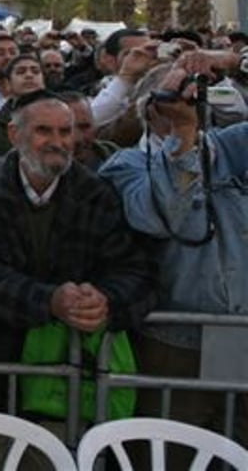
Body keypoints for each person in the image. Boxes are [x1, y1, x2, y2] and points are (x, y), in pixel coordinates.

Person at [0, 91, 156, 412]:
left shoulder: (95, 192)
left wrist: (104, 300)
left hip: (72, 379)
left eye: (65, 131)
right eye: (44, 131)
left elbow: (132, 268)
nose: (57, 141)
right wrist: (50, 300)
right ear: (14, 135)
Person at [98, 53, 248, 447]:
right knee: (172, 455)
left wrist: (232, 60)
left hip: (242, 336)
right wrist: (181, 132)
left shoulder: (224, 149)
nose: (191, 94)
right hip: (175, 347)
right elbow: (161, 218)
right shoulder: (125, 164)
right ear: (150, 107)